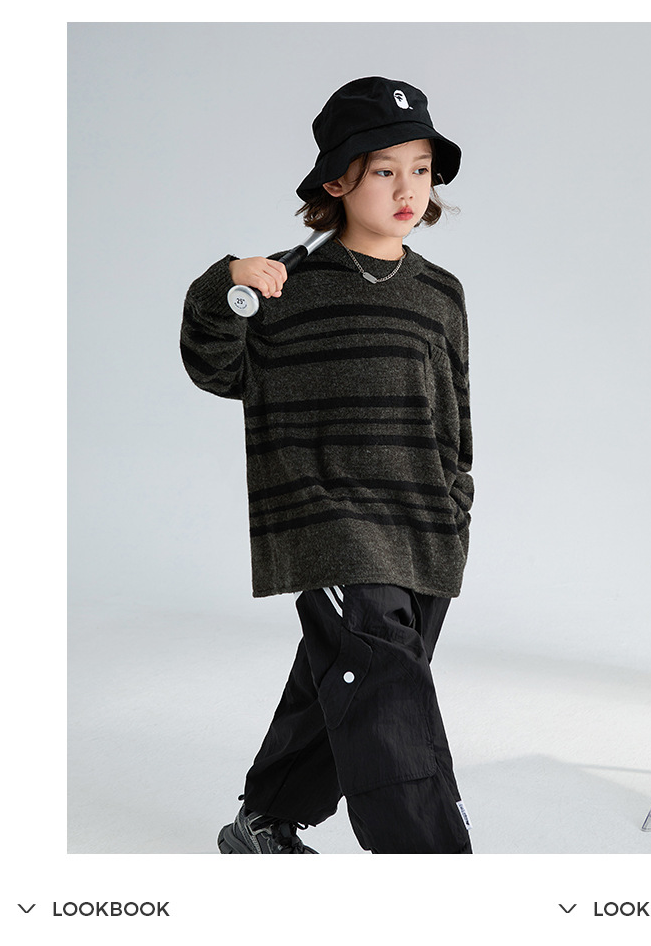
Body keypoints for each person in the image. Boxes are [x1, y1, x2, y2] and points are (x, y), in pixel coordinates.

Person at [180, 76, 474, 854]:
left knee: (351, 669)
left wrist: (456, 508)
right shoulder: (284, 284)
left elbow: (453, 419)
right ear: (337, 182)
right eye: (384, 170)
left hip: (423, 525)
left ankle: (263, 818)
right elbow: (217, 368)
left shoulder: (440, 292)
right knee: (384, 682)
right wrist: (224, 284)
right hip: (328, 519)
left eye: (420, 169)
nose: (407, 189)